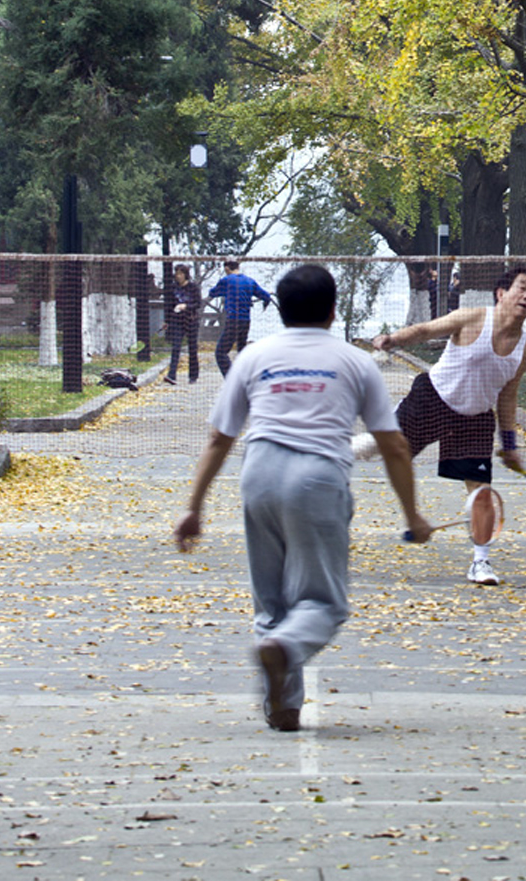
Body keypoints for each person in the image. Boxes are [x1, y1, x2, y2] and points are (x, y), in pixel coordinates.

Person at [173, 263, 432, 733]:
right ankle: (286, 650)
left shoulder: (255, 357)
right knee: (323, 603)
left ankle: (284, 707)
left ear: (282, 309)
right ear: (333, 311)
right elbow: (393, 444)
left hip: (259, 472)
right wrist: (413, 514)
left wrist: (194, 507)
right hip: (316, 479)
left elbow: (218, 438)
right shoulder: (356, 361)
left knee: (270, 602)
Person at [372, 266, 526, 587]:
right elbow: (425, 330)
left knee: (481, 493)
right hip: (432, 399)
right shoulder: (472, 317)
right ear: (501, 293)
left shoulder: (525, 350)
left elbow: (507, 397)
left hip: (474, 418)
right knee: (385, 452)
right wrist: (392, 339)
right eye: (522, 288)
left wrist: (510, 444)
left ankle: (481, 563)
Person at [207, 257, 273, 376]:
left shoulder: (226, 280)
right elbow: (266, 296)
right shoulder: (250, 281)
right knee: (242, 352)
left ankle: (232, 379)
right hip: (246, 321)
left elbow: (213, 292)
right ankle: (248, 377)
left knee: (220, 353)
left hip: (232, 320)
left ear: (227, 268)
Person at [165, 264, 201, 385]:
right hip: (176, 320)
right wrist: (167, 320)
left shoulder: (193, 287)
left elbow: (198, 303)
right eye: (177, 274)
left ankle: (193, 376)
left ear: (186, 275)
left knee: (192, 348)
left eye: (181, 274)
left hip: (191, 320)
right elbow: (169, 305)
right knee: (176, 347)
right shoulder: (173, 288)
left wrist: (186, 306)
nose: (179, 276)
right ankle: (172, 375)